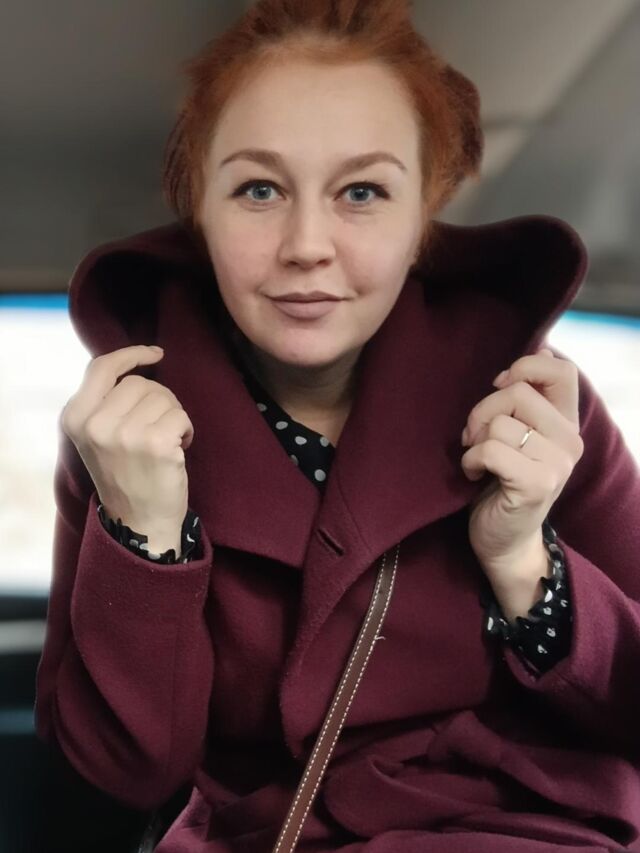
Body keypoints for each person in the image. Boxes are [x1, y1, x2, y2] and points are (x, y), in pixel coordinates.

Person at [34, 0, 640, 850]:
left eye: (362, 192)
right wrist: (145, 539)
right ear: (200, 209)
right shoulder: (122, 433)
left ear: (422, 218)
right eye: (258, 189)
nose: (306, 244)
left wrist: (525, 566)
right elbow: (124, 769)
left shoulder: (532, 406)